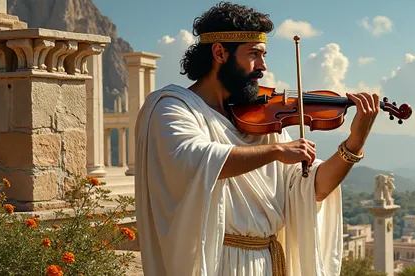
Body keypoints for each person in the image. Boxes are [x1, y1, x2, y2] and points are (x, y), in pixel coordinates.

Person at [133, 2, 379, 276]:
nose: (263, 66)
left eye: (263, 55)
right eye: (254, 54)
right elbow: (194, 159)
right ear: (219, 52)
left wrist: (354, 143)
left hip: (269, 261)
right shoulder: (172, 106)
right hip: (218, 263)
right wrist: (275, 151)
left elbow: (312, 190)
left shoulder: (261, 118)